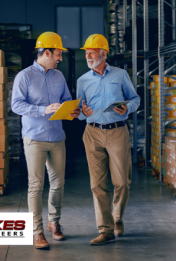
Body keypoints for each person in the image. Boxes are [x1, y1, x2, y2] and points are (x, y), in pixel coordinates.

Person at [12, 32, 81, 249]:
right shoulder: (24, 76)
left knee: (58, 183)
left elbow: (67, 101)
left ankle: (54, 223)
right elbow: (16, 105)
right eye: (58, 54)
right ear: (47, 52)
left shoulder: (58, 76)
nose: (60, 58)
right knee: (36, 185)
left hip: (57, 137)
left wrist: (73, 111)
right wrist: (43, 109)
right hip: (35, 137)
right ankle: (37, 231)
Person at [77, 34, 140, 245]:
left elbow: (135, 98)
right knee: (97, 184)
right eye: (86, 52)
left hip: (117, 131)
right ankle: (105, 229)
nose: (88, 55)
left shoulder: (121, 75)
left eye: (92, 51)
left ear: (104, 53)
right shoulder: (82, 80)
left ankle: (117, 217)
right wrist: (82, 112)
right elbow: (79, 112)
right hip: (92, 132)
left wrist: (127, 108)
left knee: (122, 181)